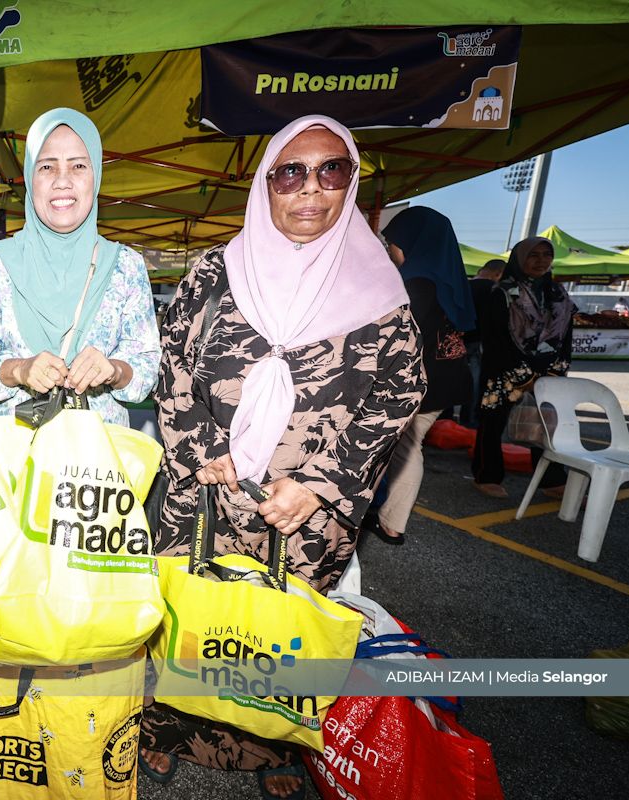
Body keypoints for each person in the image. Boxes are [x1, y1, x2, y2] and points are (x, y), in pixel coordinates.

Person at [140, 115, 424, 799]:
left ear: (350, 183)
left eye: (331, 171)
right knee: (188, 611)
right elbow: (171, 363)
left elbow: (401, 388)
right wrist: (205, 452)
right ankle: (165, 729)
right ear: (266, 185)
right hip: (205, 489)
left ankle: (270, 750)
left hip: (302, 509)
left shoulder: (376, 285)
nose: (309, 189)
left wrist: (320, 485)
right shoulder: (217, 269)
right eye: (289, 172)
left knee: (278, 635)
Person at [0, 108, 160, 425]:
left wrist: (114, 369)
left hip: (95, 464)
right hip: (11, 461)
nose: (63, 181)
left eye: (78, 165)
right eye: (47, 167)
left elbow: (147, 369)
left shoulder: (125, 267)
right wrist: (20, 369)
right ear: (29, 178)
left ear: (96, 176)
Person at [363, 207, 475, 545]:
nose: (389, 250)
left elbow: (396, 336)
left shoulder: (417, 282)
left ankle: (392, 522)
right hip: (447, 380)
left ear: (411, 241)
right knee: (406, 445)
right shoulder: (445, 275)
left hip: (423, 383)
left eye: (391, 243)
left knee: (407, 447)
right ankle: (387, 515)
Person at [471, 237, 576, 497]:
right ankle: (487, 475)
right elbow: (494, 338)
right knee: (493, 423)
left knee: (546, 425)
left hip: (548, 370)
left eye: (546, 255)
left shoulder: (558, 294)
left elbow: (566, 336)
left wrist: (557, 368)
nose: (541, 261)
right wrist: (523, 372)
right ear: (519, 259)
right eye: (533, 255)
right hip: (504, 370)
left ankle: (551, 480)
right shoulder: (503, 292)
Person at [457, 259, 507, 427]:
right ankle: (468, 420)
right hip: (479, 342)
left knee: (451, 379)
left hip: (454, 340)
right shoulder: (494, 290)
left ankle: (445, 419)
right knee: (475, 382)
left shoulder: (463, 285)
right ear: (498, 274)